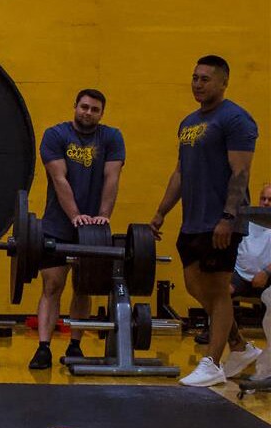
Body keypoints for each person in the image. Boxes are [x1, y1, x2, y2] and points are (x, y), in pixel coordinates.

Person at [150, 55, 259, 387]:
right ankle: (239, 346)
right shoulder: (187, 123)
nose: (198, 84)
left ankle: (212, 362)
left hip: (222, 221)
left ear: (224, 82)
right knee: (197, 287)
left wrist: (228, 217)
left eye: (205, 79)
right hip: (192, 221)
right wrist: (161, 212)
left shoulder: (236, 120)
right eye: (195, 78)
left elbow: (240, 173)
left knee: (218, 290)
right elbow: (181, 173)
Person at [28, 89, 126, 369]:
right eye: (84, 107)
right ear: (75, 107)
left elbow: (112, 178)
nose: (88, 113)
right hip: (58, 224)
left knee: (83, 287)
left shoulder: (111, 137)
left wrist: (103, 216)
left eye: (95, 109)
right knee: (52, 285)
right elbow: (59, 178)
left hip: (94, 226)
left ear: (101, 113)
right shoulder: (55, 135)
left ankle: (75, 344)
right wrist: (75, 216)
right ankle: (44, 348)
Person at [228, 183, 271, 380]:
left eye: (270, 200)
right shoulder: (246, 220)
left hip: (266, 276)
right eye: (263, 198)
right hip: (241, 274)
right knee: (218, 293)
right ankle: (238, 344)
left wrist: (265, 272)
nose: (265, 203)